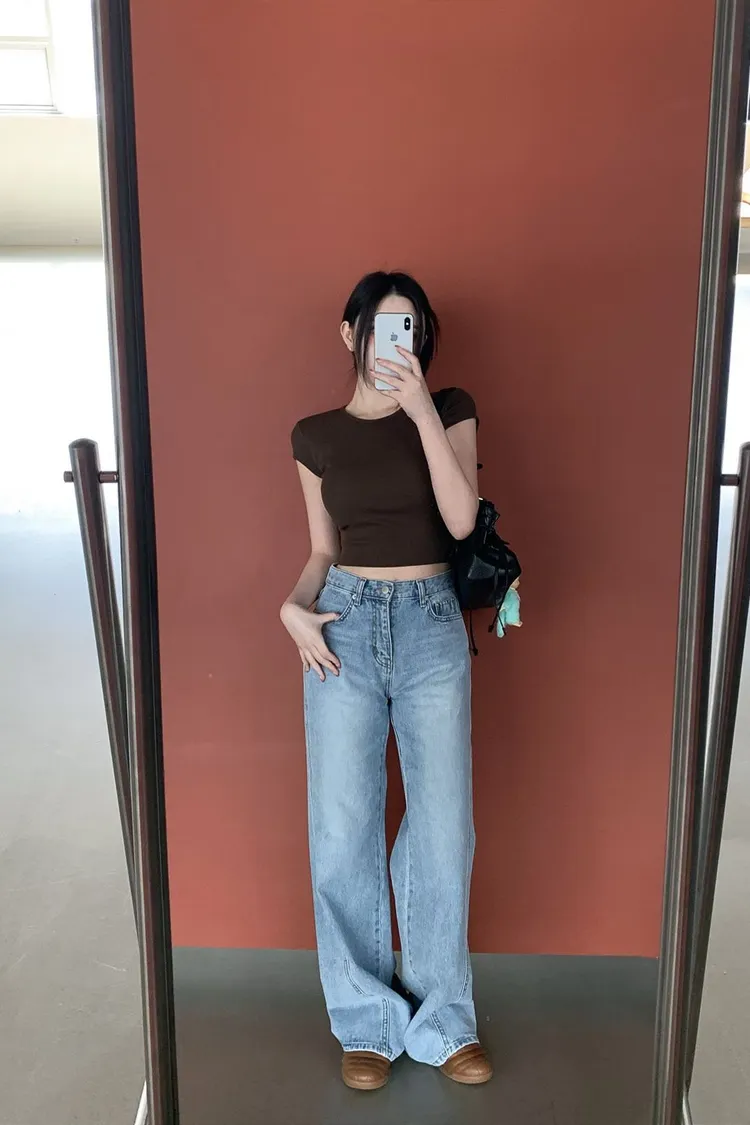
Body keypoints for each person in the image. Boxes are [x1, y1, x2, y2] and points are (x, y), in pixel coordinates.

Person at [281, 271, 492, 1090]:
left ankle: (443, 1019)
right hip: (343, 625)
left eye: (411, 329)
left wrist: (421, 410)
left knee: (444, 824)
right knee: (342, 825)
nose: (395, 344)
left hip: (431, 622)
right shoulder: (314, 435)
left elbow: (462, 518)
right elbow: (323, 549)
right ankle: (366, 1020)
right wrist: (293, 607)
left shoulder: (451, 407)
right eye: (380, 326)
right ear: (351, 333)